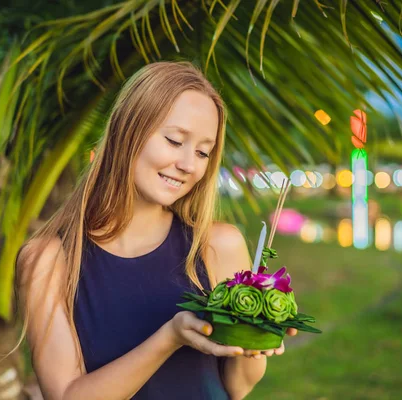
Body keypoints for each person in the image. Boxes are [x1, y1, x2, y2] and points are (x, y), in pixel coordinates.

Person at [15, 61, 297, 400]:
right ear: (128, 130)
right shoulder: (48, 259)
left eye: (203, 152)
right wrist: (169, 338)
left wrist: (257, 340)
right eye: (174, 140)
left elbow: (237, 387)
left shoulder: (217, 245)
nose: (189, 165)